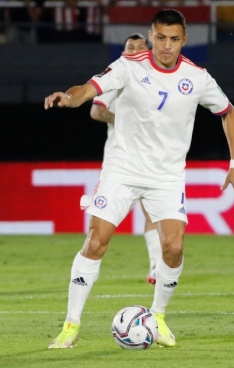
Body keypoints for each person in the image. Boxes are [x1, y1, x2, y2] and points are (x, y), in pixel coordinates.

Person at [44, 9, 234, 349]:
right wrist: (70, 98)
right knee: (96, 242)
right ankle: (71, 325)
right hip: (122, 169)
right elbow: (88, 89)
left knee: (174, 246)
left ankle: (158, 317)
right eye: (161, 37)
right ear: (151, 36)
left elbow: (229, 113)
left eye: (175, 39)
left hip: (166, 176)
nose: (167, 46)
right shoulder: (128, 66)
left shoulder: (198, 77)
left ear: (184, 40)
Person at [88, 32, 161, 285]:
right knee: (103, 218)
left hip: (152, 157)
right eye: (131, 47)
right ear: (123, 52)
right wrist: (128, 123)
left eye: (141, 47)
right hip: (121, 159)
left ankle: (155, 268)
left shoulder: (159, 80)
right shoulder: (116, 75)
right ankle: (89, 267)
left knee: (152, 211)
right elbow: (97, 111)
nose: (136, 51)